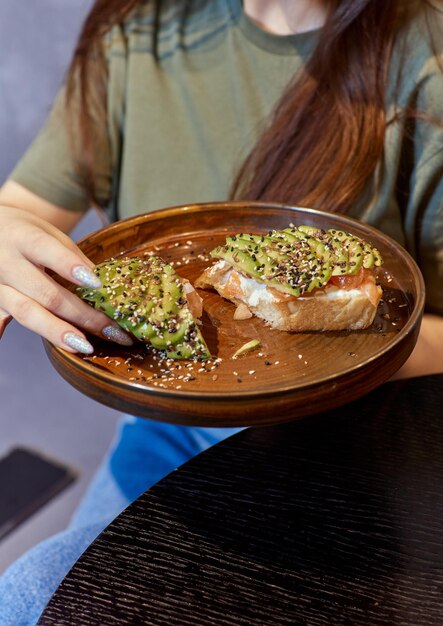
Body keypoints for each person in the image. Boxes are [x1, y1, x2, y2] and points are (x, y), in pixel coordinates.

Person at [0, 0, 442, 623]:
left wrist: (354, 335)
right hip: (165, 430)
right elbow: (21, 214)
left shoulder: (426, 56)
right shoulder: (135, 31)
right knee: (28, 599)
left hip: (361, 444)